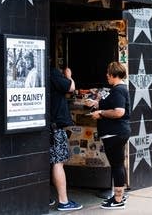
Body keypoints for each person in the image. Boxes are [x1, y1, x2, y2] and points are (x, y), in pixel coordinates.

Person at [86, 62, 131, 210]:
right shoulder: (119, 89)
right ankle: (118, 195)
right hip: (117, 132)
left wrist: (100, 113)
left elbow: (119, 112)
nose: (106, 76)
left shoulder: (118, 90)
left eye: (108, 73)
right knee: (118, 164)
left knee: (117, 165)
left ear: (114, 75)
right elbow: (112, 106)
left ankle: (118, 200)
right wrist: (98, 104)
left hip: (115, 133)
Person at [50, 66, 83, 211]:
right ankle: (64, 201)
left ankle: (45, 196)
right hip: (55, 127)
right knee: (58, 162)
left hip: (43, 125)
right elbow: (71, 87)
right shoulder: (52, 72)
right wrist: (69, 75)